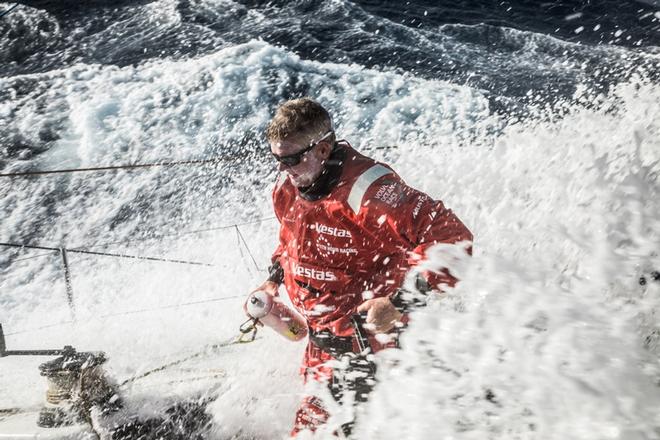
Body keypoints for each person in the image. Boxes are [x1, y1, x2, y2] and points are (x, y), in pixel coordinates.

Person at [251, 97, 473, 437]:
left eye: (293, 158)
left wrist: (399, 303)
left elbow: (455, 241)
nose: (285, 168)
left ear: (323, 149)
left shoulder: (370, 192)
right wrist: (273, 280)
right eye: (278, 159)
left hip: (370, 349)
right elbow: (291, 243)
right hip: (321, 346)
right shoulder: (287, 187)